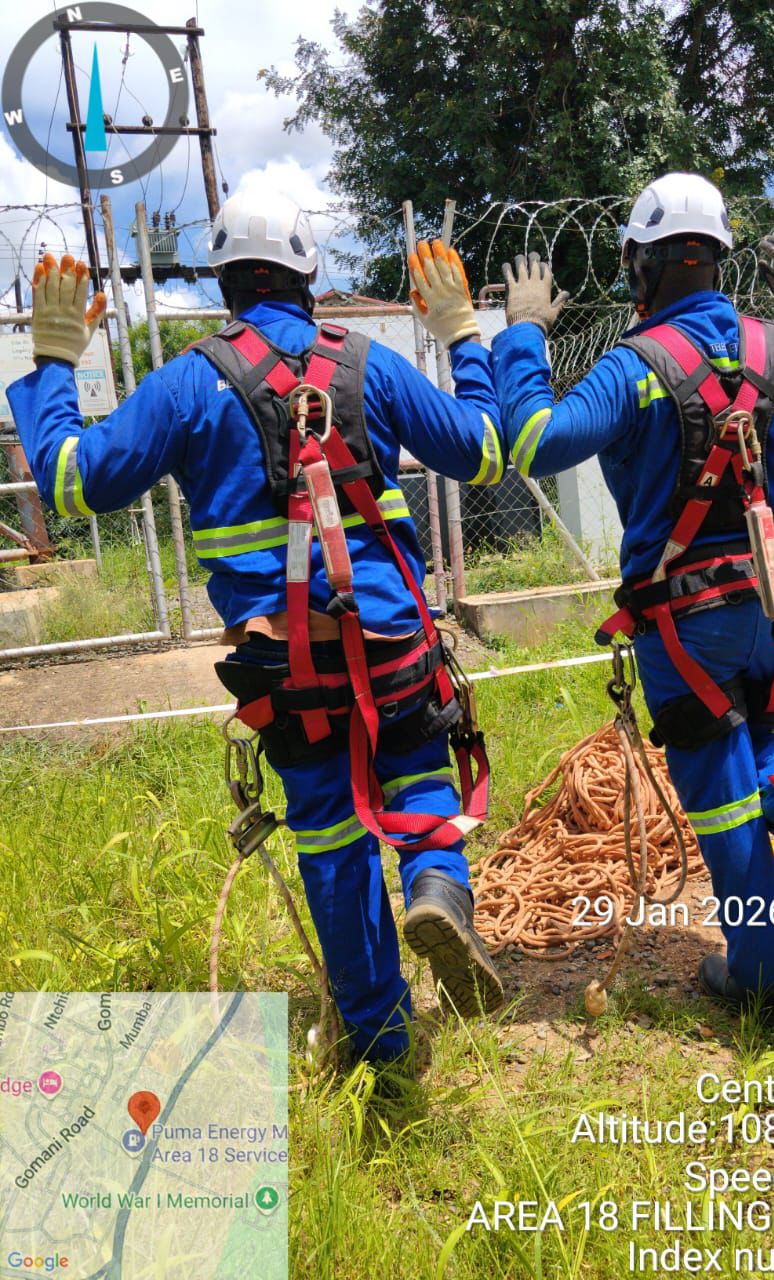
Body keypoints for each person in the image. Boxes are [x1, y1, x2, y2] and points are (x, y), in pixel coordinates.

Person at [8, 188, 506, 1065]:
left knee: (329, 833)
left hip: (286, 671)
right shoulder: (367, 365)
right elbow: (482, 450)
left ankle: (382, 1040)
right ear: (310, 273)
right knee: (421, 776)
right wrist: (466, 335)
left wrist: (53, 360)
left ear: (225, 280)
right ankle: (435, 887)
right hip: (392, 646)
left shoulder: (187, 382)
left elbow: (74, 483)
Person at [490, 172, 774, 1027]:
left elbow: (534, 440)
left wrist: (521, 336)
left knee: (715, 796)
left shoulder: (634, 366)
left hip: (685, 622)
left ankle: (764, 973)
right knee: (753, 745)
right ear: (717, 259)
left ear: (640, 263)